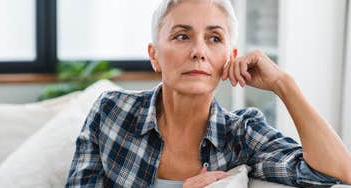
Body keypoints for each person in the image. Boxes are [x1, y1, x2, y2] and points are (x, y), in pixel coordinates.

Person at [65, 0, 351, 187]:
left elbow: (336, 171)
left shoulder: (242, 134)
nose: (198, 52)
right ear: (154, 55)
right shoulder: (111, 112)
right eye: (182, 36)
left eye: (214, 38)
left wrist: (283, 84)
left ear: (231, 56)